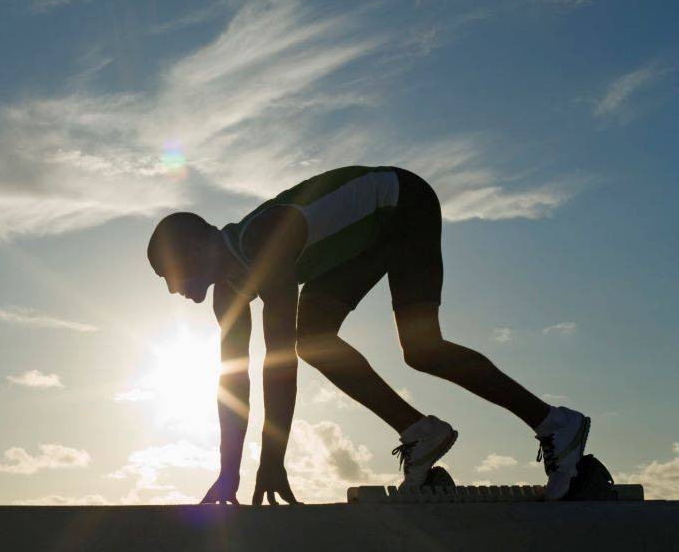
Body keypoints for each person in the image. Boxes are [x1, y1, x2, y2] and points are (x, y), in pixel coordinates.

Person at [146, 165, 590, 504]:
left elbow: (278, 361)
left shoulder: (264, 240)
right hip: (355, 242)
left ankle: (556, 423)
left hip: (401, 204)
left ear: (190, 248)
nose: (171, 289)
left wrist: (272, 461)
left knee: (420, 348)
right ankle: (420, 432)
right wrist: (228, 474)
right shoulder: (228, 295)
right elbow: (233, 383)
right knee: (316, 340)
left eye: (167, 274)